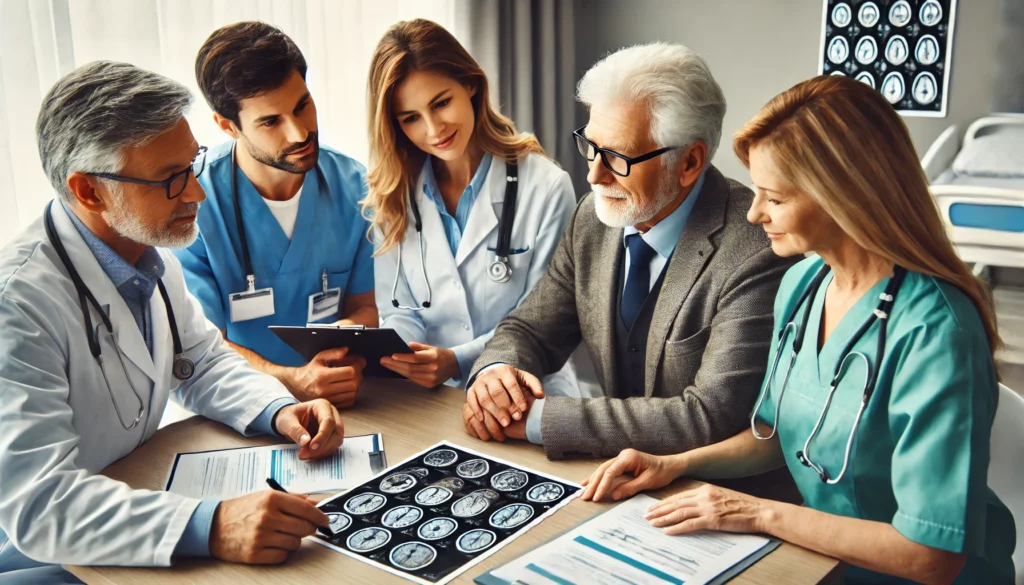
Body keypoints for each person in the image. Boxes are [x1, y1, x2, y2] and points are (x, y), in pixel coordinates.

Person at [580, 76, 1017, 584]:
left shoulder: (936, 332)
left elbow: (931, 556)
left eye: (776, 198)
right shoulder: (803, 285)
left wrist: (757, 514)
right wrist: (673, 464)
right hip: (820, 561)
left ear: (847, 196)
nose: (753, 212)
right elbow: (775, 436)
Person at [0, 62, 346, 583]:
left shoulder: (146, 251)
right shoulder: (17, 306)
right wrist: (214, 526)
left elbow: (201, 362)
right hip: (49, 546)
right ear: (90, 191)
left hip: (132, 500)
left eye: (192, 165)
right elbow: (41, 504)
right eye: (170, 179)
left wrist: (279, 410)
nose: (197, 194)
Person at [463, 43, 798, 465]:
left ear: (690, 161)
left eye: (618, 157)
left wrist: (539, 419)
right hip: (615, 476)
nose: (593, 174)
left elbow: (709, 416)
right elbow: (530, 329)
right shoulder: (593, 216)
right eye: (591, 145)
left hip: (708, 492)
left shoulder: (755, 249)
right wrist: (496, 376)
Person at [363, 19, 581, 395]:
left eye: (441, 103)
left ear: (471, 85)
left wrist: (456, 359)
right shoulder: (394, 193)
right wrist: (402, 354)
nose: (433, 129)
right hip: (430, 399)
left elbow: (546, 322)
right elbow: (400, 309)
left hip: (527, 389)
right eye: (411, 118)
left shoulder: (545, 187)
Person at [175, 22, 374, 409]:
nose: (300, 133)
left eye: (302, 106)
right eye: (270, 121)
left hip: (342, 401)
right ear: (227, 125)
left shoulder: (356, 188)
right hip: (237, 402)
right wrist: (292, 380)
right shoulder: (193, 203)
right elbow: (199, 347)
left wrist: (351, 335)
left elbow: (364, 306)